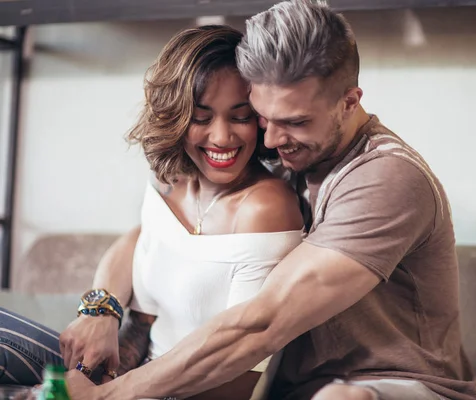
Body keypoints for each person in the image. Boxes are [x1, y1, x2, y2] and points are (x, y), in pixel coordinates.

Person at [62, 1, 476, 399]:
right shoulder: (289, 150)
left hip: (395, 387)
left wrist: (112, 394)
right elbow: (151, 233)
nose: (271, 139)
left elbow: (262, 323)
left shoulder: (386, 178)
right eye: (261, 117)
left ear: (350, 101)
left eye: (294, 122)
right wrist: (101, 310)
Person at [0, 24, 304, 400]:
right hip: (124, 374)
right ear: (175, 115)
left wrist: (103, 394)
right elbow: (139, 241)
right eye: (202, 117)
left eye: (240, 116)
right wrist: (101, 313)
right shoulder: (171, 179)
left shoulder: (265, 208)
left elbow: (235, 382)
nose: (222, 137)